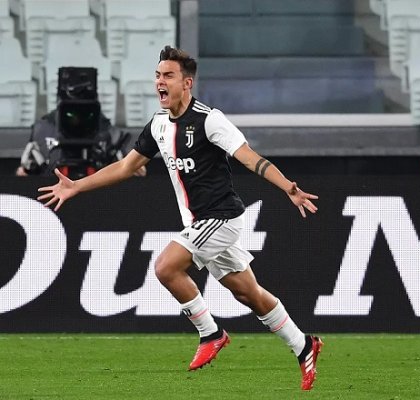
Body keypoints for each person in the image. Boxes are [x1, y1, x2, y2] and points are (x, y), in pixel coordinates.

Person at [37, 45, 323, 390]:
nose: (160, 81)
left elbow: (249, 157)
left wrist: (287, 187)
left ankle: (211, 333)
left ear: (186, 83)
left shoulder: (209, 119)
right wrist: (76, 187)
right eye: (158, 75)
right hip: (199, 223)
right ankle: (303, 344)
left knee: (165, 267)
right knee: (248, 293)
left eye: (168, 76)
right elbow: (128, 166)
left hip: (222, 218)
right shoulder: (158, 125)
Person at [16, 108, 145, 178]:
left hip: (98, 193)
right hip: (54, 188)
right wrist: (25, 174)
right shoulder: (44, 129)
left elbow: (134, 168)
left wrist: (132, 169)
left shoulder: (106, 129)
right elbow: (26, 170)